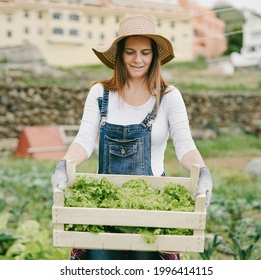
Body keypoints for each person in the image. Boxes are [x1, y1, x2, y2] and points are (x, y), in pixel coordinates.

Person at [51, 14, 213, 260]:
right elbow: (84, 140)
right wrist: (64, 165)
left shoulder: (169, 96)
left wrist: (202, 171)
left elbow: (184, 144)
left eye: (145, 52)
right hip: (104, 204)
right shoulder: (100, 93)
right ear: (119, 55)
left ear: (155, 56)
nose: (138, 59)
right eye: (130, 52)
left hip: (151, 205)